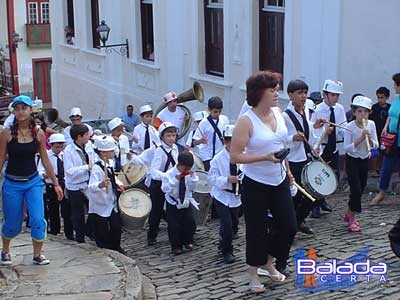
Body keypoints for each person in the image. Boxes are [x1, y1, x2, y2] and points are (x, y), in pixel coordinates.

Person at [230, 71, 297, 293]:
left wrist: (287, 171)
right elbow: (236, 156)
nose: (277, 94)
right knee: (256, 229)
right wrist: (264, 157)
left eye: (277, 89)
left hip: (278, 179)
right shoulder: (246, 121)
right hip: (255, 182)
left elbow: (281, 146)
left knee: (288, 225)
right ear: (259, 93)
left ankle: (268, 260)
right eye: (273, 90)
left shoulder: (278, 113)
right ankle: (253, 274)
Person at [0, 95, 63, 265]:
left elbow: (45, 159)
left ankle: (37, 254)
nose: (21, 112)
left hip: (33, 182)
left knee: (37, 219)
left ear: (30, 110)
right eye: (17, 108)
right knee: (13, 223)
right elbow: (0, 159)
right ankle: (5, 250)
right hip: (12, 183)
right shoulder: (6, 133)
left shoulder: (38, 133)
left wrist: (55, 183)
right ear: (13, 111)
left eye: (24, 108)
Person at [283, 79, 321, 235]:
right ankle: (290, 226)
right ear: (290, 95)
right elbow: (280, 138)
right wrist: (293, 138)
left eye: (305, 93)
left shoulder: (306, 111)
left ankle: (298, 220)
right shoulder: (284, 116)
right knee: (296, 195)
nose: (304, 96)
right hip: (293, 160)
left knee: (315, 193)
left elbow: (308, 131)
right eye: (299, 93)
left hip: (306, 157)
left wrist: (315, 127)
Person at [310, 79, 347, 217]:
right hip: (322, 148)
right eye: (332, 95)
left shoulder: (339, 109)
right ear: (325, 95)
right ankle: (314, 205)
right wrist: (324, 131)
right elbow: (312, 131)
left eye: (337, 95)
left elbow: (343, 126)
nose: (335, 98)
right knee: (318, 176)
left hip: (334, 147)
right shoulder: (318, 110)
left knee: (332, 175)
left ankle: (322, 200)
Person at [343, 96, 378, 232]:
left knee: (361, 188)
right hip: (352, 160)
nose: (363, 115)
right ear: (354, 112)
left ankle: (349, 212)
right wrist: (360, 139)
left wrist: (369, 138)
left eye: (366, 112)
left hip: (365, 159)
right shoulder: (349, 127)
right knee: (355, 189)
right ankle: (353, 219)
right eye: (360, 111)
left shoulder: (372, 124)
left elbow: (376, 145)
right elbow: (346, 148)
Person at [208, 124, 241, 264]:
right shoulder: (217, 159)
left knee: (234, 223)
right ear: (224, 141)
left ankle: (224, 243)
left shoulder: (242, 155)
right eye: (229, 141)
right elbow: (211, 178)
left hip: (237, 195)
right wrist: (227, 179)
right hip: (222, 195)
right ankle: (228, 250)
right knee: (226, 224)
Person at [87, 135, 125, 253]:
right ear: (103, 153)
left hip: (111, 200)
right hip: (100, 203)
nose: (113, 152)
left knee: (116, 226)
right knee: (102, 228)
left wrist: (119, 184)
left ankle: (116, 245)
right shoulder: (97, 169)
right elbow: (91, 187)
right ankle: (106, 247)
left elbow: (114, 178)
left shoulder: (111, 163)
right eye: (111, 150)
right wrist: (101, 185)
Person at [147, 122, 179, 246]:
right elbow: (154, 171)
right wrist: (165, 176)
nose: (171, 138)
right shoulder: (159, 151)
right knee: (156, 210)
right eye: (168, 136)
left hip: (171, 182)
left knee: (174, 207)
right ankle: (151, 236)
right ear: (162, 137)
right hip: (158, 183)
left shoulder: (175, 148)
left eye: (173, 135)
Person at [161, 151, 199, 255]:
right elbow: (165, 189)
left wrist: (192, 177)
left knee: (190, 222)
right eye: (185, 168)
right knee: (174, 225)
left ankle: (187, 241)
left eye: (188, 168)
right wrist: (175, 180)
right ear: (180, 164)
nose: (186, 170)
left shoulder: (188, 173)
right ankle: (176, 246)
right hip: (173, 201)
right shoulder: (168, 174)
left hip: (186, 199)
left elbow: (192, 188)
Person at [370, 73, 400, 206]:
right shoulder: (397, 98)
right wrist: (386, 127)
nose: (393, 86)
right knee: (386, 167)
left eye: (395, 84)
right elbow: (391, 115)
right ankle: (382, 192)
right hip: (392, 139)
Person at [63, 124, 96, 243]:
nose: (88, 136)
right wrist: (86, 167)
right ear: (79, 137)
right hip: (75, 186)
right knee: (78, 213)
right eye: (86, 135)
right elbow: (69, 171)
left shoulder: (89, 146)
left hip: (88, 183)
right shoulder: (68, 151)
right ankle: (80, 237)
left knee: (93, 209)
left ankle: (89, 230)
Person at [37, 133, 73, 238]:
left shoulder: (64, 155)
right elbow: (39, 171)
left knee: (66, 209)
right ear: (51, 145)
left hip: (64, 182)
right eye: (57, 147)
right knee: (53, 208)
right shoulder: (46, 156)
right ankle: (54, 230)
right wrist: (45, 175)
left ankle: (69, 232)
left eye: (61, 147)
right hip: (51, 183)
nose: (59, 149)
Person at [192, 97, 229, 171]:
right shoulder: (204, 123)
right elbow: (194, 142)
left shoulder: (224, 119)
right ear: (209, 109)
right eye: (215, 112)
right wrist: (201, 141)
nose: (218, 114)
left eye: (220, 111)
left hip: (220, 154)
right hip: (207, 156)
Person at [370, 86, 391, 177]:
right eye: (378, 97)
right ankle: (374, 169)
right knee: (376, 151)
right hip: (376, 132)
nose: (380, 99)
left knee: (385, 152)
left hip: (387, 134)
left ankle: (382, 169)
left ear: (387, 97)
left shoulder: (390, 108)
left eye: (382, 97)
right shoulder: (374, 108)